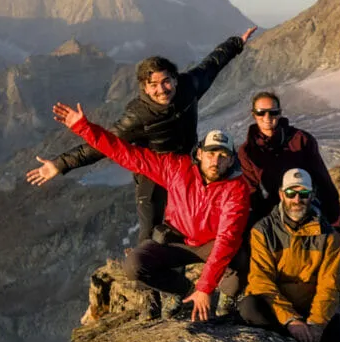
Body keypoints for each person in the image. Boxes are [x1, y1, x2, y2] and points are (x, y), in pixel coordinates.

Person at [27, 28, 257, 241]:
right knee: (150, 230)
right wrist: (60, 164)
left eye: (166, 81)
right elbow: (106, 145)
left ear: (175, 79)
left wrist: (236, 43)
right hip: (151, 172)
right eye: (153, 85)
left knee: (182, 225)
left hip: (186, 169)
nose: (161, 89)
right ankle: (147, 274)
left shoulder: (189, 86)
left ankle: (177, 275)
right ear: (144, 88)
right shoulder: (137, 115)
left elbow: (212, 64)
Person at [53, 101, 250, 321]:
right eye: (211, 153)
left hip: (209, 244)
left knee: (239, 255)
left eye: (223, 156)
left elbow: (226, 238)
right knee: (135, 265)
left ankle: (226, 299)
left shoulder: (237, 188)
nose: (216, 161)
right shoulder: (177, 168)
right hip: (178, 239)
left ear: (231, 160)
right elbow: (128, 155)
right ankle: (183, 291)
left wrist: (206, 287)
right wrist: (84, 128)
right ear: (200, 154)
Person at [238, 167, 340, 342]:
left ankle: (301, 340)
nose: (297, 200)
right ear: (281, 194)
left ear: (312, 196)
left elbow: (329, 284)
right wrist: (291, 320)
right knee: (250, 307)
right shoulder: (263, 231)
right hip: (276, 308)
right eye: (291, 193)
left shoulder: (328, 236)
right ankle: (302, 341)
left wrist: (316, 324)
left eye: (303, 194)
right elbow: (261, 281)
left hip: (307, 307)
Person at [238, 91, 340, 232]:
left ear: (280, 113)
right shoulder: (247, 151)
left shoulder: (301, 140)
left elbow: (323, 182)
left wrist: (336, 224)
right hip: (271, 212)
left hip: (303, 205)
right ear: (253, 114)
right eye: (261, 112)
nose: (267, 117)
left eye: (273, 112)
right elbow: (251, 190)